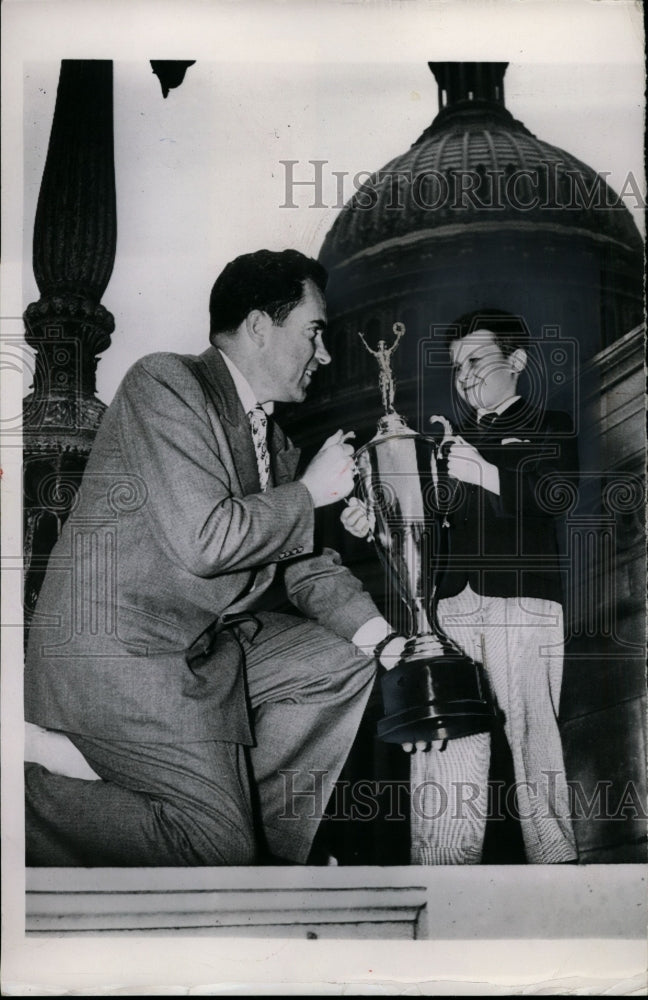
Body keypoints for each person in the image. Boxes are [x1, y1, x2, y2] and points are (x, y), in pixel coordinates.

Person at [24, 248, 405, 867]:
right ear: (259, 326)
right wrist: (309, 493)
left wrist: (391, 645)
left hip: (199, 648)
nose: (325, 353)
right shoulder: (165, 383)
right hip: (119, 655)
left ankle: (262, 853)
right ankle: (27, 799)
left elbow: (306, 568)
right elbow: (207, 541)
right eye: (314, 331)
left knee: (342, 662)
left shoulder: (275, 441)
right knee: (211, 845)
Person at [343, 309, 579, 864]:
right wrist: (372, 524)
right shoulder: (442, 443)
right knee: (447, 741)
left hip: (522, 603)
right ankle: (443, 871)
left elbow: (558, 495)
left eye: (476, 360)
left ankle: (559, 869)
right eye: (456, 367)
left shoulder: (552, 424)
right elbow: (418, 529)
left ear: (517, 362)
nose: (465, 376)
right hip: (449, 607)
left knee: (532, 738)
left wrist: (486, 472)